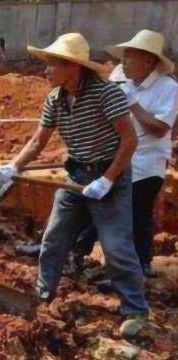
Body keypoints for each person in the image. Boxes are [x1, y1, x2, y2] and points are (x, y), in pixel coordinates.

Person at [0, 33, 149, 325]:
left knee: (116, 246)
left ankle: (135, 309)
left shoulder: (106, 94)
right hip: (75, 175)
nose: (46, 70)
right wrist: (14, 166)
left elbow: (129, 141)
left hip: (110, 177)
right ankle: (43, 294)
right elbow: (39, 140)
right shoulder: (55, 98)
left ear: (73, 67)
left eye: (53, 64)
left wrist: (107, 180)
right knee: (54, 238)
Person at [74, 31, 178, 278]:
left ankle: (140, 264)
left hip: (146, 161)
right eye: (124, 56)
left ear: (149, 62)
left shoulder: (168, 88)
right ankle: (76, 249)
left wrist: (132, 103)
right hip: (117, 155)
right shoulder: (119, 76)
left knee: (136, 212)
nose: (124, 62)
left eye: (131, 57)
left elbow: (160, 128)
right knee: (95, 202)